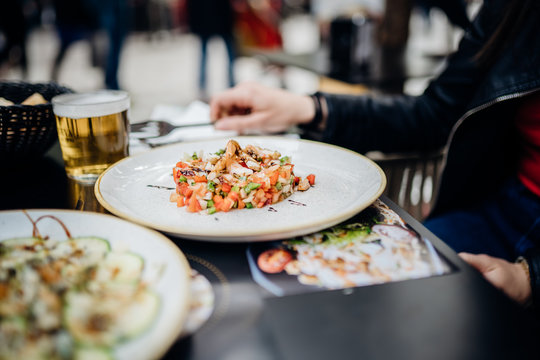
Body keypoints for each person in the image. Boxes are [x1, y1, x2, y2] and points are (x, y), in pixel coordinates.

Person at [209, 0, 540, 308]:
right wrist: (307, 107)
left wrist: (530, 278)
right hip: (499, 205)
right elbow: (433, 115)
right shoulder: (515, 8)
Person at [186, 0, 236, 98]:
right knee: (227, 52)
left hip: (208, 18)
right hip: (219, 17)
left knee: (205, 53)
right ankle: (231, 84)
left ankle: (203, 85)